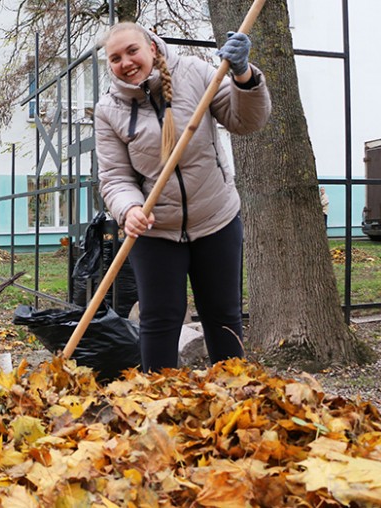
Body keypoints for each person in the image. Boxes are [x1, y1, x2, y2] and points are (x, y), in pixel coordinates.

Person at [94, 23, 271, 372]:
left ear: (153, 49)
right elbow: (115, 177)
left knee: (223, 317)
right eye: (115, 58)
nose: (126, 62)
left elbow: (246, 120)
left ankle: (233, 400)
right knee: (159, 320)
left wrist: (243, 76)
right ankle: (158, 406)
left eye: (132, 51)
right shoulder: (108, 109)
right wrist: (128, 209)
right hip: (155, 230)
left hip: (216, 218)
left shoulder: (195, 72)